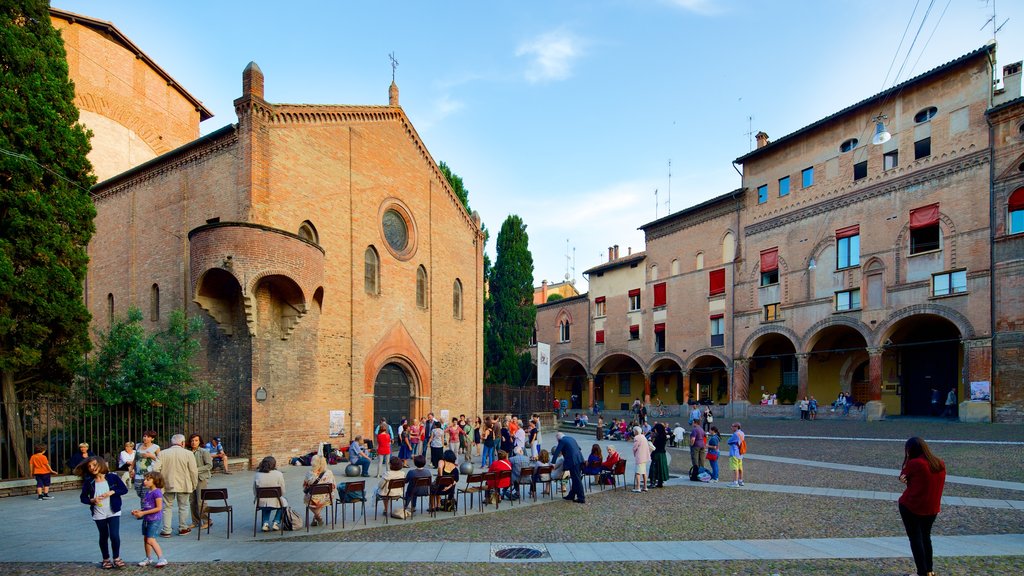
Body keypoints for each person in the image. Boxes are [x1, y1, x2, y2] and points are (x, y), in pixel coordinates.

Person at [899, 437, 947, 576]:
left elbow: (903, 476)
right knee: (926, 537)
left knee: (915, 539)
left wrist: (906, 464)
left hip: (912, 506)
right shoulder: (939, 463)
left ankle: (921, 572)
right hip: (932, 508)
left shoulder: (914, 463)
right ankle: (929, 571)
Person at [79, 456, 129, 569]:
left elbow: (124, 490)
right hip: (98, 512)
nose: (92, 468)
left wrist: (112, 492)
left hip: (113, 511)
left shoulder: (112, 477)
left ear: (101, 464)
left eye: (94, 465)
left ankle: (116, 557)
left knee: (114, 535)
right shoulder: (89, 481)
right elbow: (83, 497)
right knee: (103, 535)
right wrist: (92, 500)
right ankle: (106, 559)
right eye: (89, 466)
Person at [159, 433, 198, 537]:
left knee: (167, 507)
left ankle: (166, 530)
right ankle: (183, 528)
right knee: (183, 506)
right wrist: (194, 484)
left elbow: (155, 470)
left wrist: (159, 485)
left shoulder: (162, 453)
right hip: (184, 484)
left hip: (167, 484)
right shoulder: (188, 454)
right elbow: (193, 471)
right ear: (182, 443)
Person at [131, 471, 167, 567]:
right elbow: (148, 507)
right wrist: (139, 511)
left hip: (154, 519)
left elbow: (159, 508)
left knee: (150, 540)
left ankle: (161, 558)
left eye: (148, 479)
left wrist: (143, 513)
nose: (145, 482)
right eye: (145, 479)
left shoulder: (157, 492)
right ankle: (148, 558)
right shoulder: (148, 492)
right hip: (147, 519)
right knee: (146, 539)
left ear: (155, 481)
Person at [254, 456, 287, 532]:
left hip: (261, 501)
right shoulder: (278, 474)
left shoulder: (258, 474)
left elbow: (255, 490)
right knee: (284, 503)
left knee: (266, 503)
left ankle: (265, 523)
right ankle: (276, 522)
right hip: (276, 500)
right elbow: (282, 490)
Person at [188, 434, 213, 531]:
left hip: (201, 478)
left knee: (200, 501)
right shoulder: (188, 452)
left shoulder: (204, 451)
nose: (193, 442)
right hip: (190, 479)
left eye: (196, 440)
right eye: (192, 440)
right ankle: (195, 521)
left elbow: (209, 465)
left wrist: (195, 470)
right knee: (192, 501)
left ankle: (207, 520)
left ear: (199, 442)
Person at [552, 432, 585, 504]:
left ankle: (581, 497)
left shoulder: (562, 440)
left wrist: (553, 462)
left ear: (558, 438)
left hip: (573, 462)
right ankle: (571, 495)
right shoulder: (571, 438)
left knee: (577, 479)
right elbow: (579, 448)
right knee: (575, 478)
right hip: (579, 459)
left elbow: (557, 451)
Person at [303, 455, 336, 526]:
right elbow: (333, 485)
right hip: (327, 497)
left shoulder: (310, 473)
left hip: (313, 498)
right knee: (321, 498)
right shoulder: (329, 472)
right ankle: (316, 518)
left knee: (307, 499)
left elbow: (305, 487)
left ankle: (318, 517)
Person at [134, 431, 161, 500]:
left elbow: (160, 460)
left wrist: (151, 456)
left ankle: (145, 508)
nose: (145, 438)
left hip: (149, 474)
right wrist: (131, 468)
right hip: (138, 474)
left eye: (148, 437)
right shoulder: (138, 445)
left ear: (152, 439)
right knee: (138, 489)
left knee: (144, 493)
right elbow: (135, 458)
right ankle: (148, 501)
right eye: (144, 436)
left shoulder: (156, 447)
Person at [631, 426, 651, 493]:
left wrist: (634, 453)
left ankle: (638, 487)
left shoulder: (637, 437)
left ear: (636, 431)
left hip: (640, 457)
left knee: (638, 472)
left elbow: (634, 447)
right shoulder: (643, 436)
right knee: (644, 472)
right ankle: (645, 487)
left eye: (634, 431)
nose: (633, 432)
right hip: (644, 457)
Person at [650, 423, 670, 488]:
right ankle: (660, 482)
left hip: (657, 453)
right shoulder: (664, 436)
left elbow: (653, 446)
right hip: (662, 454)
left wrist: (652, 438)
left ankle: (653, 482)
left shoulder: (657, 437)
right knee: (661, 468)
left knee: (654, 468)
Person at [726, 422, 745, 487]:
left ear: (736, 427)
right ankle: (741, 481)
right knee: (740, 468)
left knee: (735, 468)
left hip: (734, 452)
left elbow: (728, 441)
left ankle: (735, 482)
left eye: (733, 426)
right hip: (740, 453)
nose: (731, 427)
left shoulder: (735, 434)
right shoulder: (742, 433)